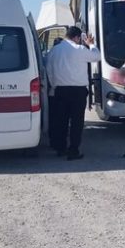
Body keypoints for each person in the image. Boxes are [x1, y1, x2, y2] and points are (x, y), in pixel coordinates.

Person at [45, 26, 100, 160]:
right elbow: (96, 57)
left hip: (60, 90)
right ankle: (73, 150)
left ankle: (60, 148)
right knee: (76, 122)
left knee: (61, 121)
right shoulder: (79, 49)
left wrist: (54, 86)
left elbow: (49, 70)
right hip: (78, 91)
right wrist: (91, 44)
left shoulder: (54, 51)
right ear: (76, 37)